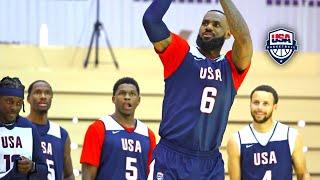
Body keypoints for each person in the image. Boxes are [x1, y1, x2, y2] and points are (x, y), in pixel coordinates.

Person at [143, 0, 252, 179]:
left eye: (216, 24)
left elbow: (244, 39)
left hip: (209, 164)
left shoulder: (232, 67)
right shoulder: (180, 53)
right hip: (171, 157)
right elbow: (151, 20)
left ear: (228, 33)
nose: (208, 27)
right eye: (204, 23)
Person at [227, 85, 311, 180]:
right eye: (256, 102)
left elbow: (303, 174)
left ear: (274, 107)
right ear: (250, 104)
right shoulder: (236, 140)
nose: (260, 108)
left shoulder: (290, 135)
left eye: (265, 104)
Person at [80, 77, 156, 180]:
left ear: (138, 100)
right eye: (122, 93)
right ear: (113, 99)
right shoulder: (98, 128)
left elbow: (152, 174)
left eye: (132, 94)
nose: (127, 97)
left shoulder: (148, 134)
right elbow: (88, 175)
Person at [0, 76, 48, 179]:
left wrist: (32, 167)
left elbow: (44, 169)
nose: (14, 108)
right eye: (9, 102)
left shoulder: (29, 128)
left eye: (18, 103)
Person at [26, 80, 74, 180]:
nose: (43, 96)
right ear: (28, 99)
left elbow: (68, 175)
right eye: (37, 92)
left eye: (47, 93)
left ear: (51, 98)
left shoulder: (61, 134)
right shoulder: (19, 127)